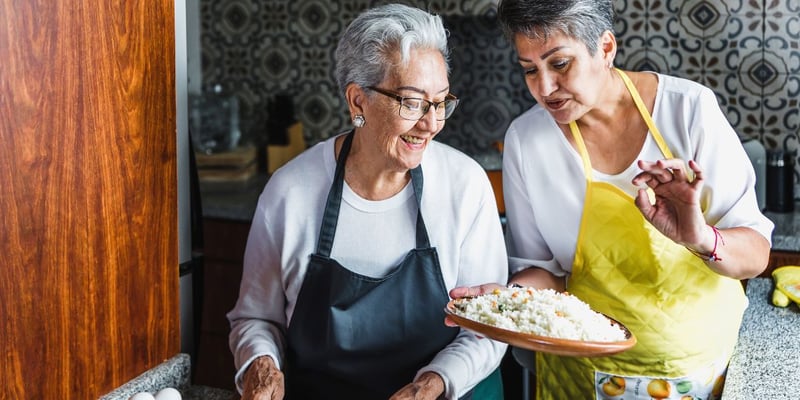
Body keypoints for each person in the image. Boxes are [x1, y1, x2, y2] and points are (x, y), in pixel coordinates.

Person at [451, 0, 775, 398]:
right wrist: (510, 301)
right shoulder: (527, 140)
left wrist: (701, 238)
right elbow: (542, 272)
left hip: (693, 373)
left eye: (560, 64)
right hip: (579, 376)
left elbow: (756, 255)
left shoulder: (688, 110)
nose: (544, 89)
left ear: (605, 48)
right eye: (529, 70)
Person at [226, 4, 509, 400]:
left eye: (441, 102)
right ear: (358, 101)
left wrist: (429, 385)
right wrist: (260, 364)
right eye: (412, 102)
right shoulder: (290, 192)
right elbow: (256, 318)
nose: (431, 123)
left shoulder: (465, 186)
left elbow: (486, 327)